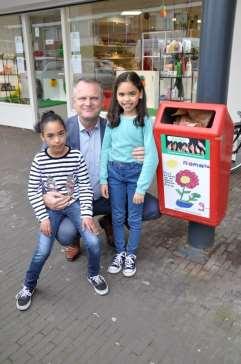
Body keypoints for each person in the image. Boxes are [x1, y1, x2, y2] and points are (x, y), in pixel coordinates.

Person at [42, 77, 161, 262]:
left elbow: (141, 147)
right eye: (82, 98)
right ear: (74, 102)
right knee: (65, 232)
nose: (88, 103)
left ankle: (110, 221)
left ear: (103, 100)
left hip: (109, 194)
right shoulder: (60, 130)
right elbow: (41, 167)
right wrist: (45, 196)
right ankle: (73, 240)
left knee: (152, 208)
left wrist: (145, 152)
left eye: (94, 98)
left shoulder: (114, 124)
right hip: (76, 200)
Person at [16, 111, 108, 311]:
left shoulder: (75, 156)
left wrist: (86, 214)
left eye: (61, 133)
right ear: (42, 137)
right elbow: (33, 190)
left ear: (66, 132)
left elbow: (84, 186)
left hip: (74, 205)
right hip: (51, 210)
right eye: (50, 136)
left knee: (93, 241)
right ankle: (28, 286)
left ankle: (93, 274)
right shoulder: (39, 160)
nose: (57, 140)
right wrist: (43, 218)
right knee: (43, 250)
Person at [100, 71, 159, 277]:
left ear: (140, 94)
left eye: (132, 93)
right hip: (115, 174)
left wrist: (142, 188)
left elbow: (152, 156)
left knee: (133, 218)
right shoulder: (112, 119)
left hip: (135, 176)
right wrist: (103, 178)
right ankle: (120, 252)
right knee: (117, 216)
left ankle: (131, 254)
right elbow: (105, 150)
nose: (127, 99)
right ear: (116, 95)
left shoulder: (144, 121)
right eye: (122, 94)